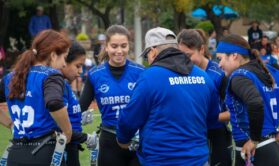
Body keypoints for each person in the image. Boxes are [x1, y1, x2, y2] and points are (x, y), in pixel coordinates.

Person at [116, 27, 218, 165]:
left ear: (152, 51)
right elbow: (212, 119)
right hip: (198, 159)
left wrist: (122, 139)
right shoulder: (203, 76)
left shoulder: (149, 78)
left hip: (160, 159)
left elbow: (128, 120)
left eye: (146, 56)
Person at [216, 34, 279, 166]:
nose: (219, 64)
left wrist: (254, 139)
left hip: (256, 152)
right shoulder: (271, 72)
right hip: (271, 149)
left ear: (234, 55)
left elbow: (255, 103)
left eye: (220, 59)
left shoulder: (239, 76)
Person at [0, 29, 72, 165]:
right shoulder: (51, 75)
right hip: (44, 151)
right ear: (53, 55)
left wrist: (10, 124)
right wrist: (68, 132)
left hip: (15, 153)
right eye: (64, 57)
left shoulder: (10, 77)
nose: (64, 64)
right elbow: (54, 103)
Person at [79, 25, 143, 166]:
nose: (119, 51)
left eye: (123, 46)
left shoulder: (140, 72)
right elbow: (80, 108)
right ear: (106, 47)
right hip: (109, 141)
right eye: (114, 46)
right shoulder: (95, 75)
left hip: (137, 141)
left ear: (129, 47)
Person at [177, 29, 232, 166]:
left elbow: (234, 111)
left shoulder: (219, 74)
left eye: (189, 55)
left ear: (201, 49)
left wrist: (208, 117)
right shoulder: (179, 73)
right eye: (181, 55)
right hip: (189, 135)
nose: (185, 60)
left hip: (216, 135)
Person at [61, 41, 97, 166]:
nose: (80, 71)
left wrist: (78, 118)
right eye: (78, 66)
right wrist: (86, 138)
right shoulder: (56, 86)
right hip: (61, 149)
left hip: (71, 147)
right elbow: (57, 127)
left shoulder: (64, 84)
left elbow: (64, 117)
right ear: (64, 61)